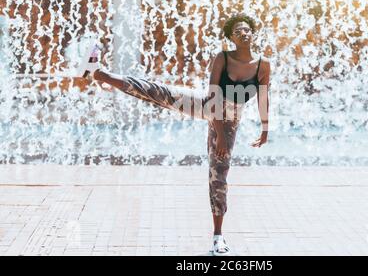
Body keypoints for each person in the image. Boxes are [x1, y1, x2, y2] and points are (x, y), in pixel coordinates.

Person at [75, 14, 271, 256]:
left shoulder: (264, 65)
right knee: (158, 92)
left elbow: (263, 96)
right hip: (208, 106)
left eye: (246, 29)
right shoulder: (222, 58)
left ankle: (218, 237)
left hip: (231, 121)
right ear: (230, 37)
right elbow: (212, 97)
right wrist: (218, 133)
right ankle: (98, 73)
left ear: (253, 33)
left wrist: (265, 129)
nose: (243, 33)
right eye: (237, 31)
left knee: (219, 174)